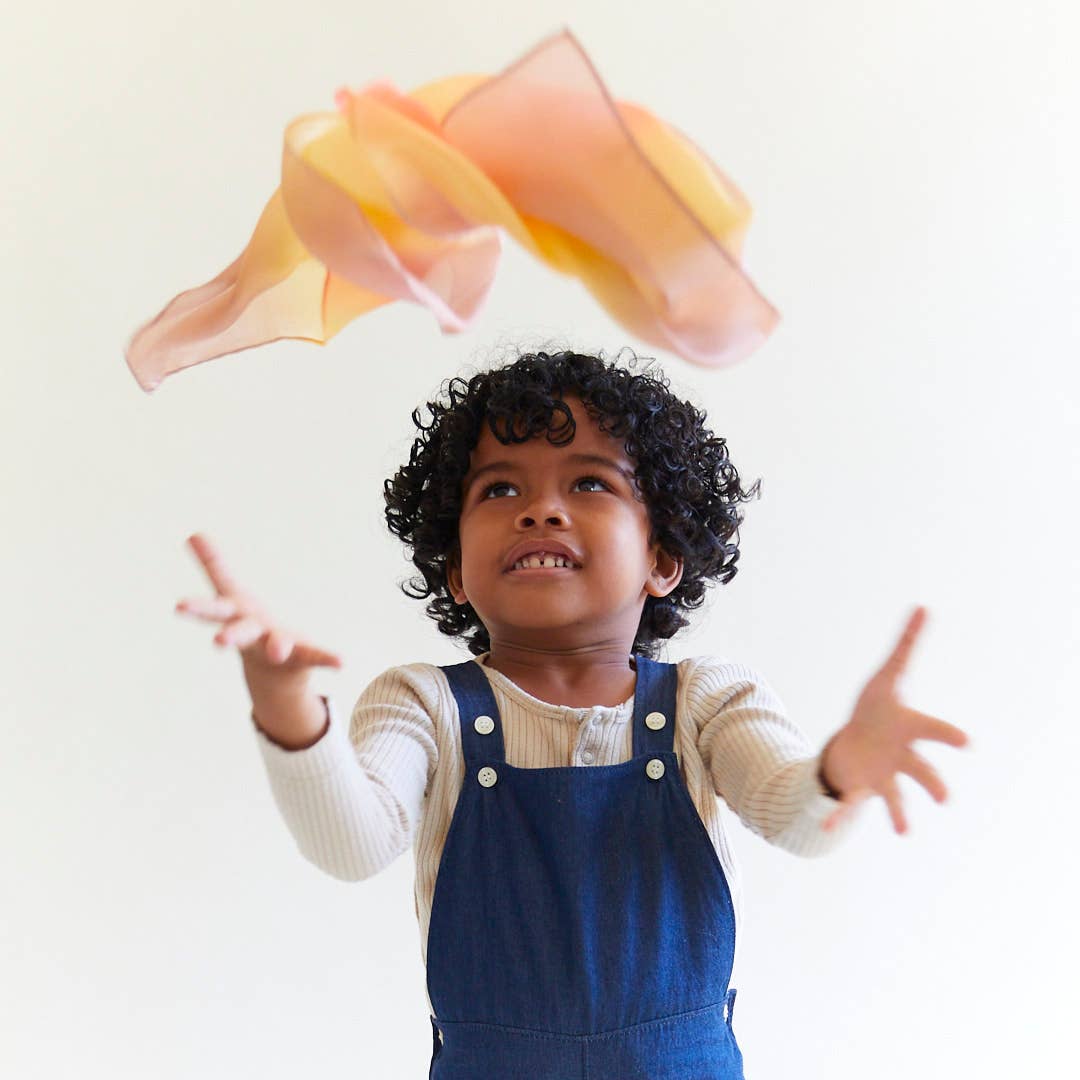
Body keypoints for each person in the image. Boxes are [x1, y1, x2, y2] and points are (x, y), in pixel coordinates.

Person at [175, 348, 969, 1078]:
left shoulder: (707, 699)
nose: (540, 510)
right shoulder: (422, 704)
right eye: (499, 488)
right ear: (452, 568)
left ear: (662, 558)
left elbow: (795, 818)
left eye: (589, 482)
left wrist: (841, 773)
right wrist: (287, 710)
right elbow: (351, 844)